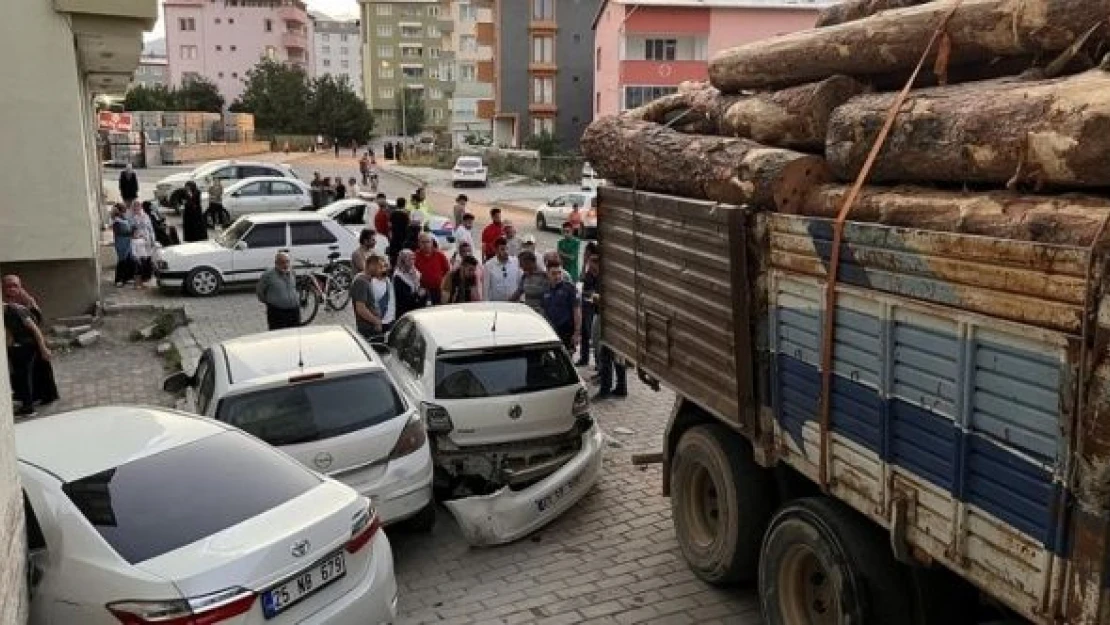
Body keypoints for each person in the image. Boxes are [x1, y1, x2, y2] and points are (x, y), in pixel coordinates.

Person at [3, 276, 58, 408]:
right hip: (21, 343)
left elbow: (37, 320)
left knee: (40, 370)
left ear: (20, 286)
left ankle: (43, 397)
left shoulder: (25, 301)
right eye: (8, 286)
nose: (12, 289)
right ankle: (31, 397)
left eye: (15, 286)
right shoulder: (5, 302)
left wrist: (43, 346)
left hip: (32, 340)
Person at [6, 302, 52, 417]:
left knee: (23, 377)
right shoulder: (7, 313)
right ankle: (27, 402)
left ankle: (28, 408)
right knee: (20, 376)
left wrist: (43, 349)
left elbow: (35, 329)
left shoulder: (16, 310)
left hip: (26, 347)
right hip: (17, 347)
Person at [350, 254, 395, 340]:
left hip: (372, 327)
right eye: (380, 267)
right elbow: (360, 308)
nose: (382, 270)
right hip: (368, 329)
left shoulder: (367, 280)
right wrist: (376, 321)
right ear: (371, 266)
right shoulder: (361, 281)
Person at [540, 260, 581, 350]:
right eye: (554, 273)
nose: (557, 276)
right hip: (551, 331)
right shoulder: (545, 290)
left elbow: (576, 311)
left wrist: (577, 333)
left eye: (559, 273)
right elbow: (544, 311)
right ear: (547, 274)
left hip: (567, 331)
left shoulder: (570, 289)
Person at [256, 252, 300, 330]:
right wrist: (271, 302)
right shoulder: (268, 275)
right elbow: (260, 292)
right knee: (278, 336)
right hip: (277, 312)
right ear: (276, 263)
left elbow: (294, 288)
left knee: (294, 335)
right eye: (282, 262)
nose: (286, 265)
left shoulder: (292, 272)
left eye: (287, 262)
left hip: (294, 311)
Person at [413, 232, 450, 305]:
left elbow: (447, 272)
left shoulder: (440, 255)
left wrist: (445, 288)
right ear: (419, 243)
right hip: (422, 291)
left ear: (432, 243)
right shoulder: (414, 256)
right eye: (423, 242)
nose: (425, 244)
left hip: (438, 290)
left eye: (428, 242)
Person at [483, 237, 523, 302]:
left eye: (507, 249)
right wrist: (486, 304)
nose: (506, 252)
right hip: (497, 304)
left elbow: (520, 281)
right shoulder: (488, 265)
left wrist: (521, 300)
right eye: (502, 249)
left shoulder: (516, 262)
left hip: (514, 302)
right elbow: (486, 288)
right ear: (495, 250)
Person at [577, 253, 600, 366]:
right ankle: (584, 358)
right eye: (589, 264)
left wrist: (593, 294)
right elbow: (581, 281)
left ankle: (598, 363)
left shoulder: (601, 277)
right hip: (587, 305)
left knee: (594, 335)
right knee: (585, 333)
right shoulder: (588, 275)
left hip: (596, 308)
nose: (590, 267)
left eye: (592, 265)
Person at [393, 249, 427, 316]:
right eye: (409, 259)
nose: (412, 262)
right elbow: (403, 298)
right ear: (402, 261)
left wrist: (423, 293)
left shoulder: (415, 272)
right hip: (405, 311)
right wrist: (418, 295)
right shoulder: (398, 276)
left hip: (417, 309)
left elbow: (423, 288)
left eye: (413, 259)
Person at [111, 205, 135, 287]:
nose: (125, 213)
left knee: (129, 259)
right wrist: (131, 232)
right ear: (120, 212)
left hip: (127, 241)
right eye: (124, 211)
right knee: (122, 260)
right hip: (121, 242)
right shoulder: (116, 221)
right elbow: (119, 232)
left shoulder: (124, 219)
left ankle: (127, 277)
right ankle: (118, 279)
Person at [388, 197, 411, 267]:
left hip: (394, 238)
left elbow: (389, 226)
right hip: (402, 239)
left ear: (397, 204)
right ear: (404, 205)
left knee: (392, 257)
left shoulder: (393, 213)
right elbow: (408, 227)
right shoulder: (406, 215)